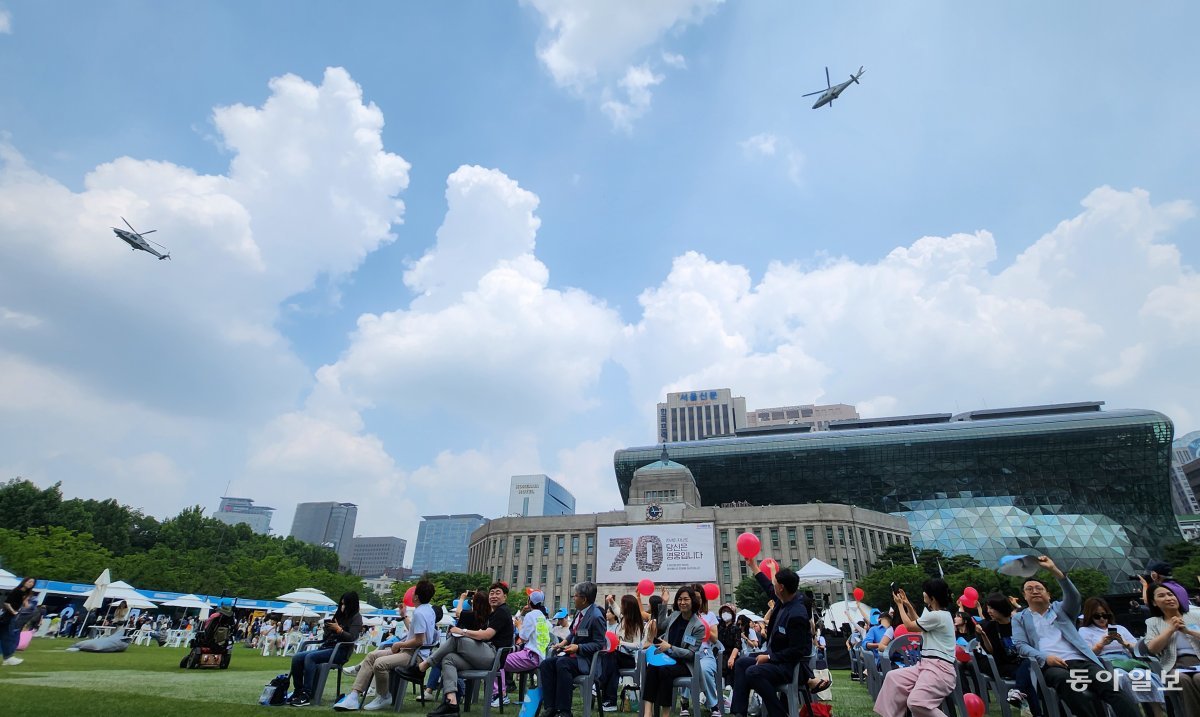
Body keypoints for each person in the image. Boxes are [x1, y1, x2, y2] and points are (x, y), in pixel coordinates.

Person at [1012, 555, 1140, 717]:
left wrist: (1054, 570)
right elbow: (1021, 645)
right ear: (1024, 596)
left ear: (1048, 594)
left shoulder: (1061, 610)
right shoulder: (1020, 618)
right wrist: (1045, 657)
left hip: (1081, 661)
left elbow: (1074, 597)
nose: (1034, 591)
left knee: (1111, 687)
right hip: (1052, 666)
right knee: (1067, 684)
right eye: (1029, 589)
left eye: (1039, 588)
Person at [398, 582, 514, 717]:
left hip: (492, 657)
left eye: (498, 593)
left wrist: (463, 631)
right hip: (485, 655)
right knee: (448, 659)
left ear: (505, 596)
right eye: (492, 593)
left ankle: (422, 667)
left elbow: (487, 635)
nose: (493, 596)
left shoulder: (502, 612)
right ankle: (451, 703)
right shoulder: (493, 613)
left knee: (456, 637)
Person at [728, 557, 824, 717]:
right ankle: (739, 713)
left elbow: (798, 650)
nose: (772, 586)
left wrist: (769, 657)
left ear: (781, 587)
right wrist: (753, 566)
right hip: (776, 659)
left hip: (788, 666)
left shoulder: (797, 614)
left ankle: (778, 713)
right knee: (742, 663)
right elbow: (767, 585)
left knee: (753, 672)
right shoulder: (783, 600)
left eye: (775, 584)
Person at [333, 580, 438, 712]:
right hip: (411, 652)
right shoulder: (429, 610)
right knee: (371, 656)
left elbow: (420, 640)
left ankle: (384, 696)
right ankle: (354, 695)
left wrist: (400, 644)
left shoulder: (419, 613)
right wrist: (404, 616)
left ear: (416, 596)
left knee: (380, 664)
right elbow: (416, 632)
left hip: (414, 656)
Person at [873, 578, 955, 717]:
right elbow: (917, 624)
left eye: (925, 592)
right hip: (926, 666)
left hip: (940, 670)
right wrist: (907, 604)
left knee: (916, 703)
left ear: (932, 597)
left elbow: (910, 626)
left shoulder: (938, 616)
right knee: (893, 677)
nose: (923, 593)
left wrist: (899, 605)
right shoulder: (937, 616)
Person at [1077, 597, 1166, 717]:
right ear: (1090, 616)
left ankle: (1158, 712)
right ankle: (1133, 712)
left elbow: (1138, 649)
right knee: (1121, 677)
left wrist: (1124, 643)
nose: (1102, 619)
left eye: (1105, 615)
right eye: (1097, 616)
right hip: (1106, 664)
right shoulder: (1085, 631)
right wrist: (1101, 644)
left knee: (1144, 676)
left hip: (1128, 661)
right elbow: (1086, 654)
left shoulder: (1120, 629)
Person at [537, 582, 606, 717]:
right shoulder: (580, 613)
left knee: (562, 663)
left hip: (586, 661)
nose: (573, 598)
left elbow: (599, 644)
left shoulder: (597, 617)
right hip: (572, 656)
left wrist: (578, 647)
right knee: (546, 664)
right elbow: (574, 633)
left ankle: (565, 711)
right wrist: (562, 643)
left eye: (575, 596)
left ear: (584, 599)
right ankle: (550, 707)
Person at [286, 591, 362, 707]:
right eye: (341, 604)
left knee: (310, 657)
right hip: (327, 647)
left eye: (345, 604)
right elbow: (326, 638)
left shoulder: (356, 618)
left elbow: (352, 637)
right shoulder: (338, 616)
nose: (342, 607)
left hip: (340, 651)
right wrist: (328, 630)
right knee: (297, 658)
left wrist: (339, 630)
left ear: (351, 604)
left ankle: (306, 694)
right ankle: (298, 691)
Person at [641, 586, 706, 717]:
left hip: (684, 664)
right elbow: (660, 625)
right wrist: (664, 603)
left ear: (693, 601)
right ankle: (648, 713)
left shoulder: (698, 626)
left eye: (686, 599)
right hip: (666, 659)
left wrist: (670, 647)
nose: (682, 602)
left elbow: (691, 654)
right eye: (680, 599)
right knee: (652, 667)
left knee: (664, 670)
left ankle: (666, 714)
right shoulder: (675, 615)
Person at [1144, 582, 1200, 716]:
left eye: (1171, 594)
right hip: (1173, 665)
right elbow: (1152, 649)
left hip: (1197, 660)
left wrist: (1188, 631)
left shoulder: (1196, 615)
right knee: (1181, 679)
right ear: (1154, 602)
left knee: (1199, 678)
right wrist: (1170, 630)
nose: (1168, 598)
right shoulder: (1153, 622)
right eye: (1161, 596)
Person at [495, 590, 550, 707]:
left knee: (497, 661)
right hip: (539, 656)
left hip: (530, 655)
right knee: (500, 660)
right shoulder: (542, 616)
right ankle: (501, 693)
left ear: (529, 601)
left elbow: (523, 637)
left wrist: (519, 626)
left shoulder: (531, 616)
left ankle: (500, 695)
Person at [600, 594, 644, 712]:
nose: (622, 607)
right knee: (612, 668)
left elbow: (637, 645)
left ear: (628, 607)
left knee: (610, 658)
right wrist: (611, 601)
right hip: (617, 657)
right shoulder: (623, 618)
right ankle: (609, 701)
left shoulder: (636, 625)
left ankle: (604, 692)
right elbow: (616, 608)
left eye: (623, 604)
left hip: (628, 659)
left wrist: (621, 643)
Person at [1, 577, 35, 666]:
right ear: (24, 582)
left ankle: (7, 658)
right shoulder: (17, 591)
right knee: (8, 637)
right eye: (29, 581)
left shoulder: (24, 593)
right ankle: (8, 658)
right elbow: (7, 603)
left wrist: (26, 598)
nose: (31, 583)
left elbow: (26, 606)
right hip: (7, 617)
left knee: (7, 637)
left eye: (32, 583)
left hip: (9, 617)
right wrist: (14, 612)